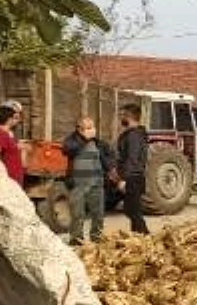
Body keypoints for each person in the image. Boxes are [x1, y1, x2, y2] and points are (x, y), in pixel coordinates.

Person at [62, 116, 112, 245]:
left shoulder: (98, 142)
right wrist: (84, 138)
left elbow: (108, 157)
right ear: (79, 129)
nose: (92, 130)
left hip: (96, 183)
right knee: (77, 214)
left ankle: (97, 237)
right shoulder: (72, 140)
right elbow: (67, 149)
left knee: (98, 213)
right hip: (78, 184)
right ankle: (76, 239)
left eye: (92, 127)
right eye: (88, 127)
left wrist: (111, 171)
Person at [116, 103, 150, 234]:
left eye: (122, 115)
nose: (121, 118)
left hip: (133, 177)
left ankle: (145, 236)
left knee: (132, 210)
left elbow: (132, 158)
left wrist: (124, 179)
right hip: (134, 176)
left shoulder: (133, 135)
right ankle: (137, 236)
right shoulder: (135, 134)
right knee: (132, 210)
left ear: (129, 116)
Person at [0, 100, 25, 184]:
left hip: (15, 176)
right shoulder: (0, 132)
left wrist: (18, 146)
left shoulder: (10, 132)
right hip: (7, 178)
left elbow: (10, 148)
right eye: (16, 116)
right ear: (9, 117)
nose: (18, 120)